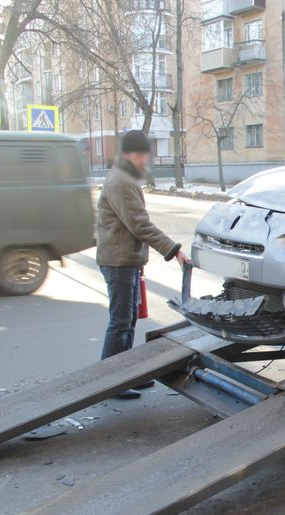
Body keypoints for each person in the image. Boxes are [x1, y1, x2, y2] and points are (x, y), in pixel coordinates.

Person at [96, 130, 190, 398]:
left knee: (127, 320)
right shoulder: (121, 181)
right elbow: (140, 225)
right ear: (130, 154)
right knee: (120, 322)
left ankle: (124, 375)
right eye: (143, 154)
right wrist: (173, 250)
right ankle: (109, 382)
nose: (146, 159)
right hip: (118, 262)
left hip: (124, 260)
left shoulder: (123, 177)